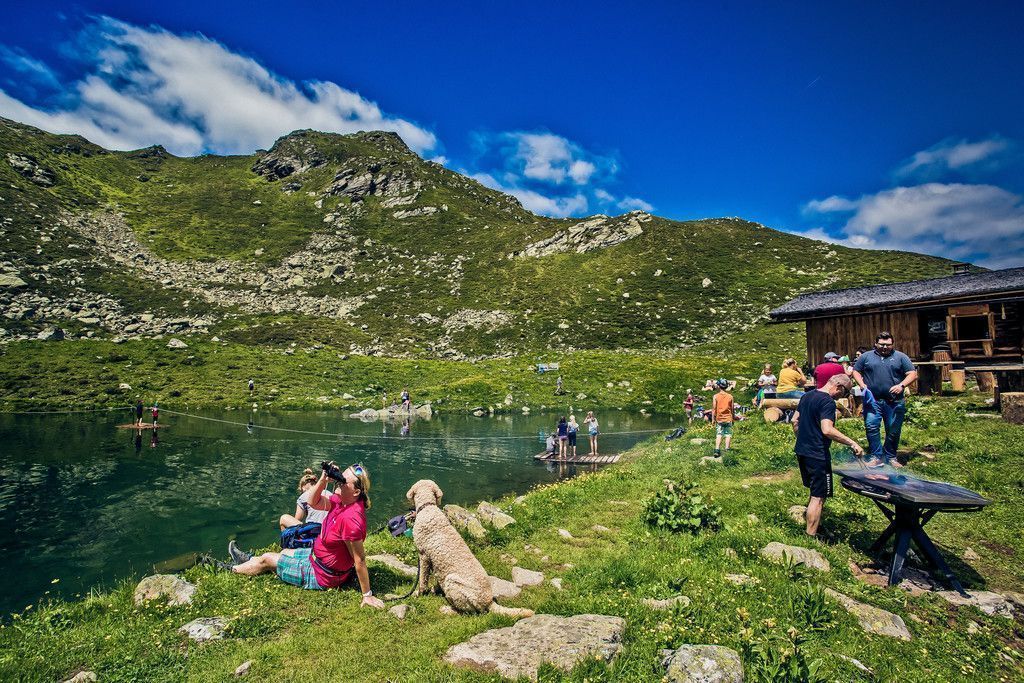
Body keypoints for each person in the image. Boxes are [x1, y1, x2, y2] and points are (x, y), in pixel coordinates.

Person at [227, 463, 385, 607]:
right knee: (283, 553)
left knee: (267, 559)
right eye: (340, 477)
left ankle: (230, 568)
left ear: (356, 491)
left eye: (344, 481)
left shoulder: (352, 518)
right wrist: (323, 479)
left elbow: (359, 559)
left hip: (322, 575)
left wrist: (367, 595)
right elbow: (312, 502)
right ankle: (249, 560)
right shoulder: (341, 502)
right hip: (315, 557)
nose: (339, 481)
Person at [792, 374, 865, 537]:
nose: (843, 397)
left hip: (802, 450)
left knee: (814, 491)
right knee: (819, 496)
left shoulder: (807, 396)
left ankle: (815, 526)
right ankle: (810, 536)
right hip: (817, 454)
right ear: (839, 387)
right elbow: (827, 429)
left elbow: (794, 421)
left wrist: (803, 438)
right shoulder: (827, 402)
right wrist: (852, 442)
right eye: (845, 393)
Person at [852, 332, 917, 468]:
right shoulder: (866, 357)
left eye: (888, 345)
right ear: (876, 343)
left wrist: (901, 385)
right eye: (882, 344)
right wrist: (862, 384)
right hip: (872, 400)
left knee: (893, 429)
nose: (885, 347)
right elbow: (856, 371)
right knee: (871, 427)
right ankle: (876, 456)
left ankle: (891, 457)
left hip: (894, 401)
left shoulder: (900, 357)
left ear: (892, 344)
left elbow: (912, 373)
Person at [711, 379, 734, 456]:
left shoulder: (715, 396)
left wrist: (713, 419)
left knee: (719, 434)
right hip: (728, 419)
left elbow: (714, 409)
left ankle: (717, 450)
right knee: (728, 434)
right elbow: (732, 409)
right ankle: (727, 449)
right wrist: (733, 418)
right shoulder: (730, 396)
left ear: (719, 386)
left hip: (719, 419)